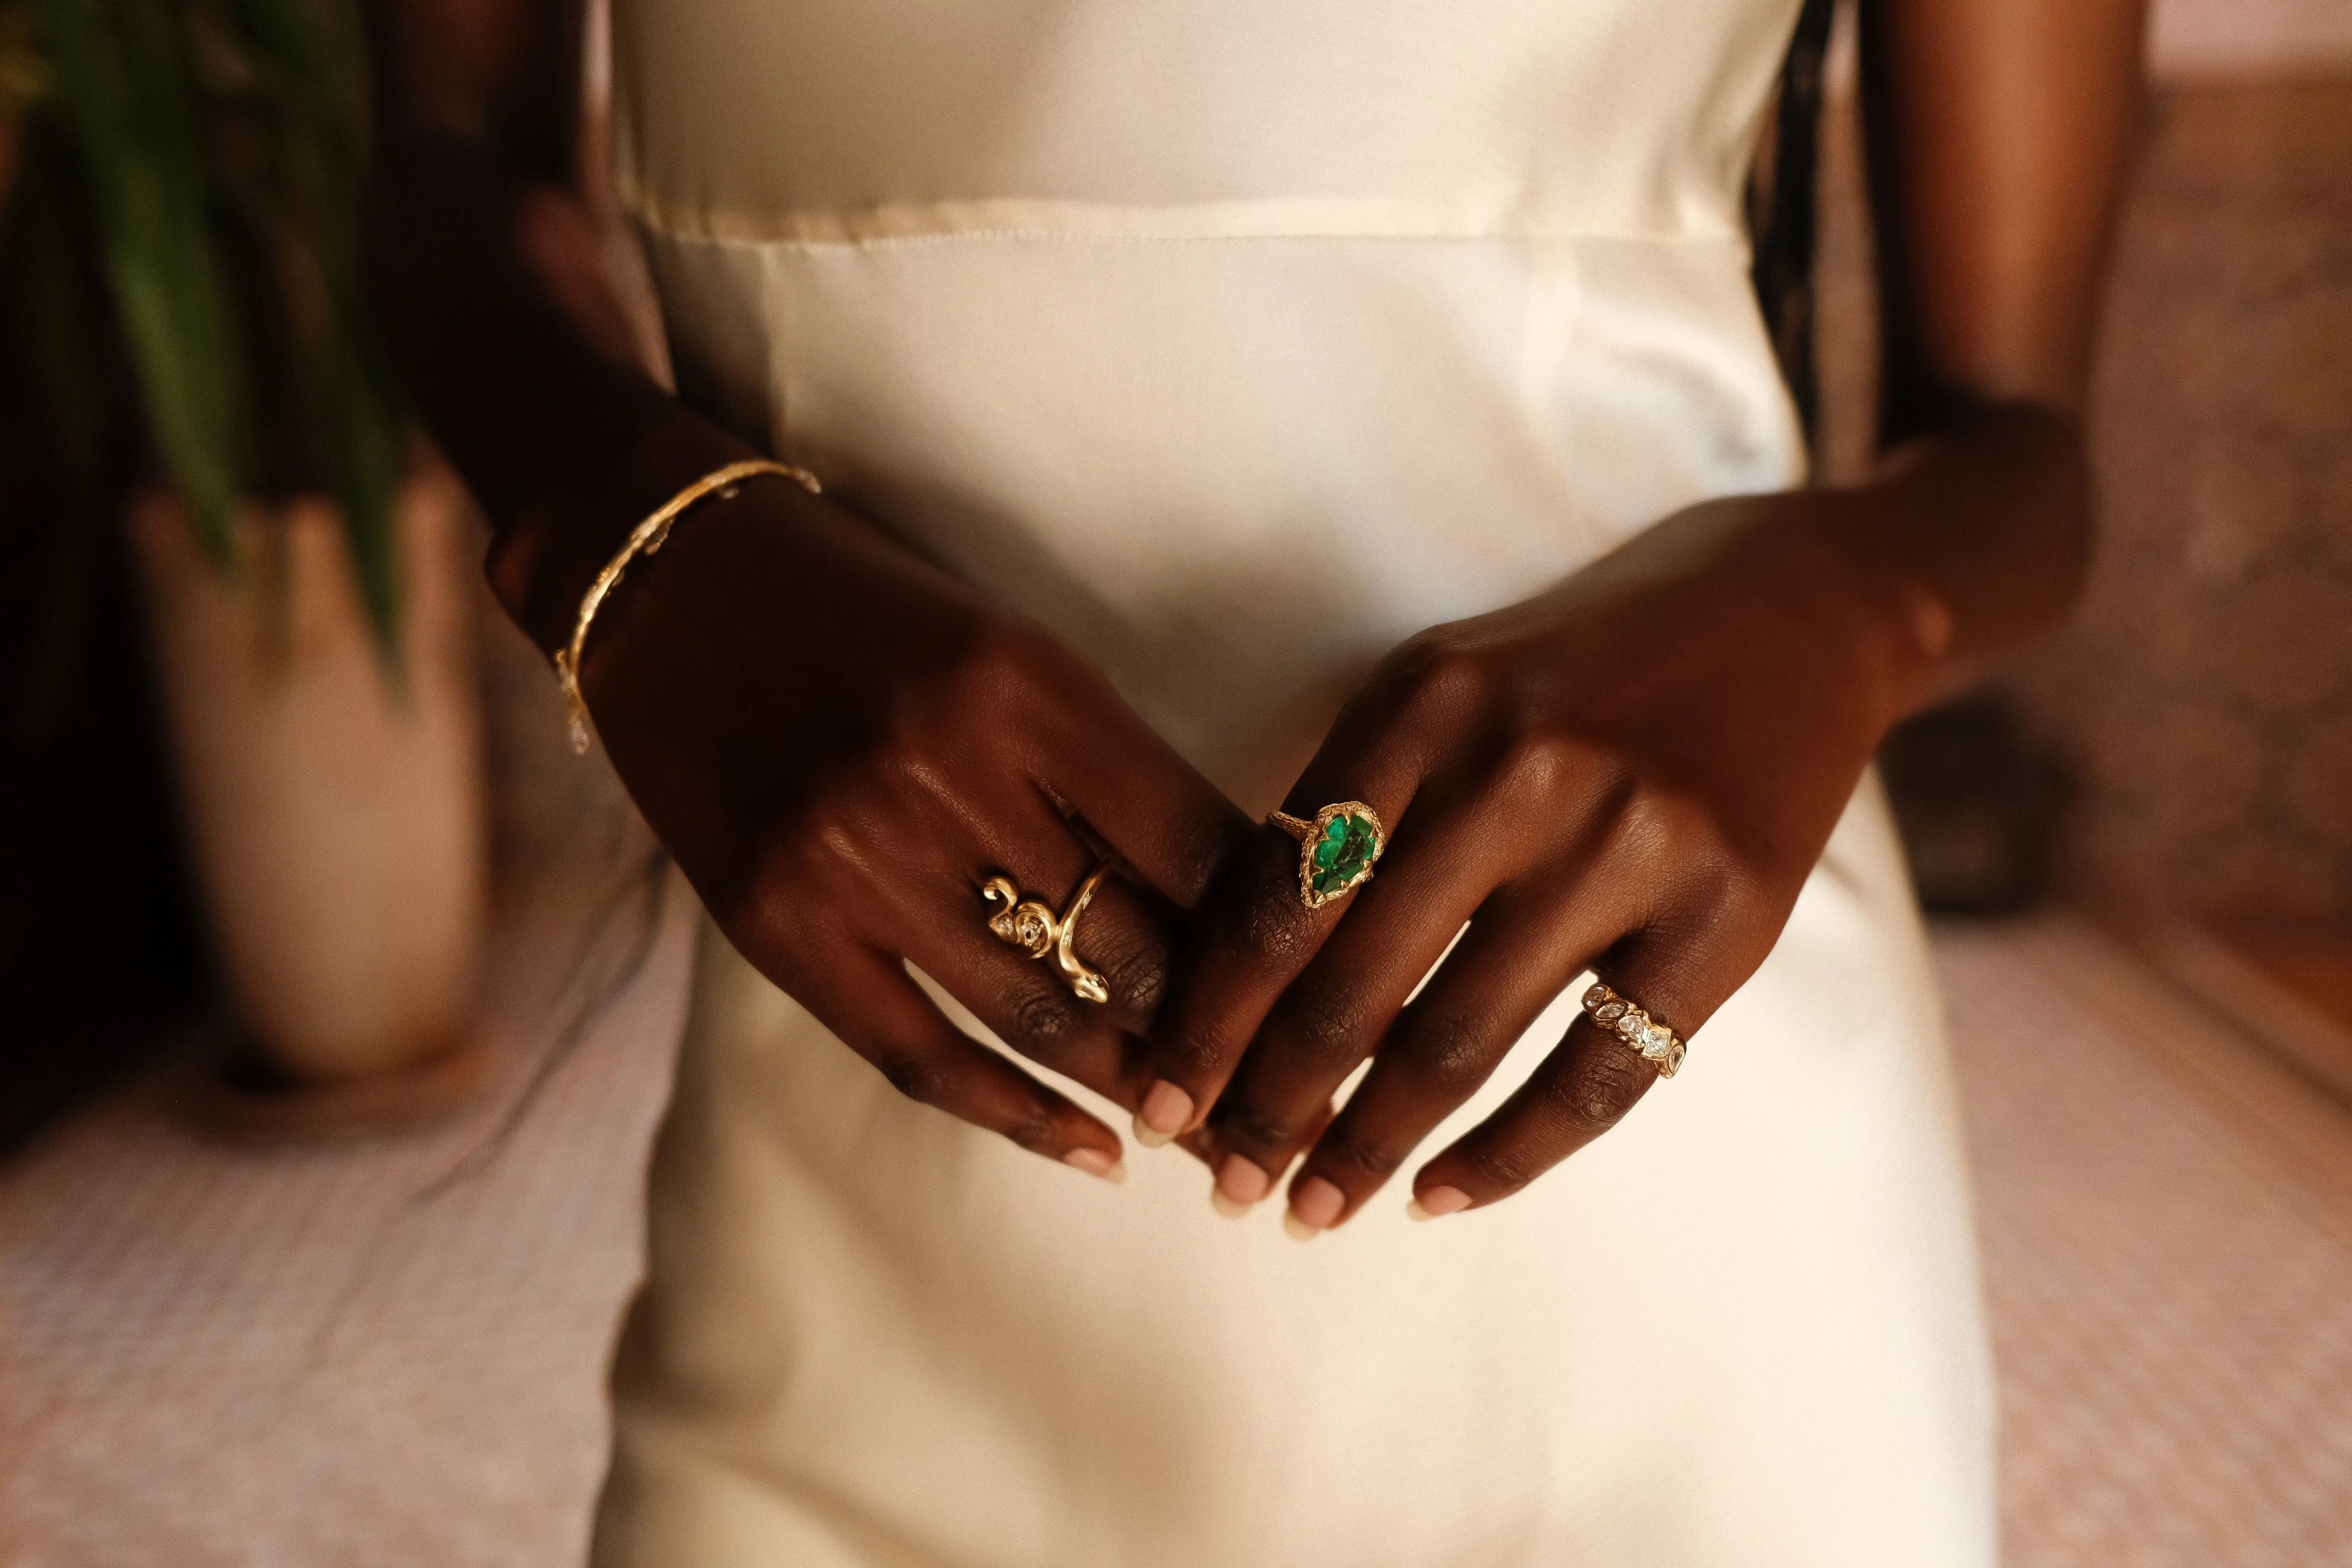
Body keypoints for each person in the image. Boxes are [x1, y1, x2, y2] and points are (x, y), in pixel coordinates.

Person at [365, 0, 2144, 1560]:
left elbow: (2016, 451)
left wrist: (1825, 606)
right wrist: (627, 539)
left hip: (1669, 1253)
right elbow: (444, 170)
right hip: (849, 1244)